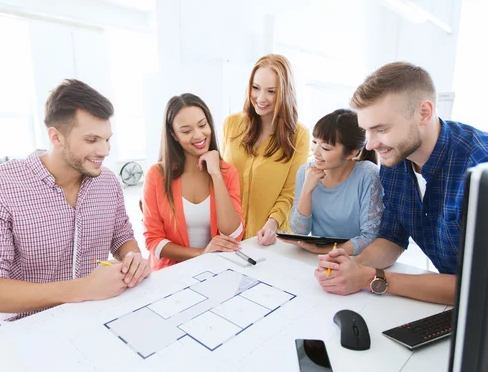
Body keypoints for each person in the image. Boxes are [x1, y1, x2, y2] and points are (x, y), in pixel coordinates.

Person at [314, 62, 488, 305]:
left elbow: (487, 287)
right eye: (366, 131)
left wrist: (370, 278)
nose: (370, 145)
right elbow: (392, 238)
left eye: (381, 129)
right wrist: (350, 266)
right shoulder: (394, 161)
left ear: (424, 112)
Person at [0, 79, 150, 326]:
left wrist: (132, 258)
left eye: (107, 139)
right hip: (28, 326)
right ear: (56, 137)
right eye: (91, 140)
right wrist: (85, 288)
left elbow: (121, 236)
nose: (105, 150)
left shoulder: (107, 182)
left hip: (99, 315)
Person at [143, 93, 244, 271]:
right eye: (186, 131)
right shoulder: (156, 175)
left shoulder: (227, 173)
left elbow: (233, 235)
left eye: (202, 125)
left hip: (217, 270)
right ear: (174, 135)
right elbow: (153, 240)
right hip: (170, 273)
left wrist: (216, 174)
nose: (198, 135)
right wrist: (201, 253)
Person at [222, 54, 309, 245]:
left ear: (285, 92)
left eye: (271, 91)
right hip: (226, 236)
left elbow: (290, 192)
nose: (261, 98)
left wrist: (272, 224)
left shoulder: (299, 136)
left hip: (267, 239)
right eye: (255, 88)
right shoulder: (231, 124)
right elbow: (221, 180)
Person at [282, 109, 383, 256]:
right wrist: (306, 190)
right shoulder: (306, 172)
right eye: (314, 142)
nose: (316, 152)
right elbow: (300, 231)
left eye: (325, 148)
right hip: (316, 258)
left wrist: (323, 250)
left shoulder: (368, 175)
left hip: (356, 261)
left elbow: (369, 237)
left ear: (352, 153)